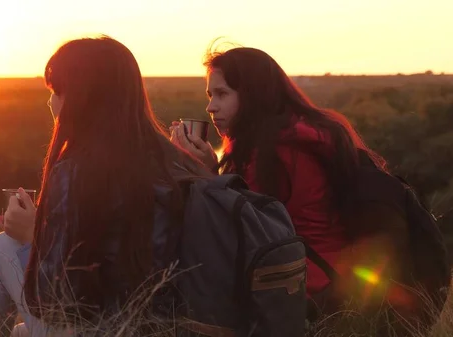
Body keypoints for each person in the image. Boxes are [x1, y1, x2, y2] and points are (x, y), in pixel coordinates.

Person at [0, 36, 211, 337]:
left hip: (104, 329)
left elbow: (52, 299)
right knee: (20, 334)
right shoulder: (175, 163)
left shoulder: (76, 172)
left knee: (2, 247)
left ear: (82, 98)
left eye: (56, 91)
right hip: (167, 329)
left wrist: (32, 234)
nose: (50, 101)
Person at [170, 46, 410, 321]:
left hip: (307, 290)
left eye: (222, 94)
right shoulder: (299, 135)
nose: (211, 107)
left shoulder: (276, 154)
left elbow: (242, 234)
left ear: (253, 95)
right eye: (210, 95)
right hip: (331, 278)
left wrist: (201, 174)